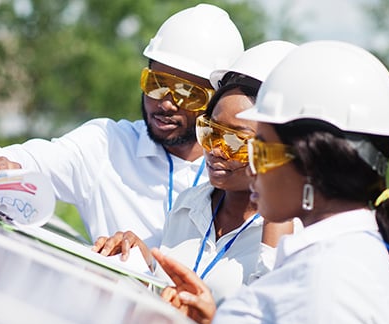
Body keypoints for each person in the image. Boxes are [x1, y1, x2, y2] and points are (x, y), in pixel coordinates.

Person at [151, 40, 389, 324]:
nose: (250, 166)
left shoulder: (333, 276)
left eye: (260, 150)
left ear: (310, 163)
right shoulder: (331, 257)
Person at [0, 4, 244, 248]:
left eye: (187, 93)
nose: (167, 104)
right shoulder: (107, 145)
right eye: (157, 84)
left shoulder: (235, 173)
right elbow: (28, 160)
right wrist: (1, 164)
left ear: (216, 101)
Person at [93, 41, 298, 304]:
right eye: (212, 132)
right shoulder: (188, 205)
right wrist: (143, 267)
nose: (216, 150)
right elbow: (167, 300)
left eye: (236, 141)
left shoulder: (294, 234)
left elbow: (265, 322)